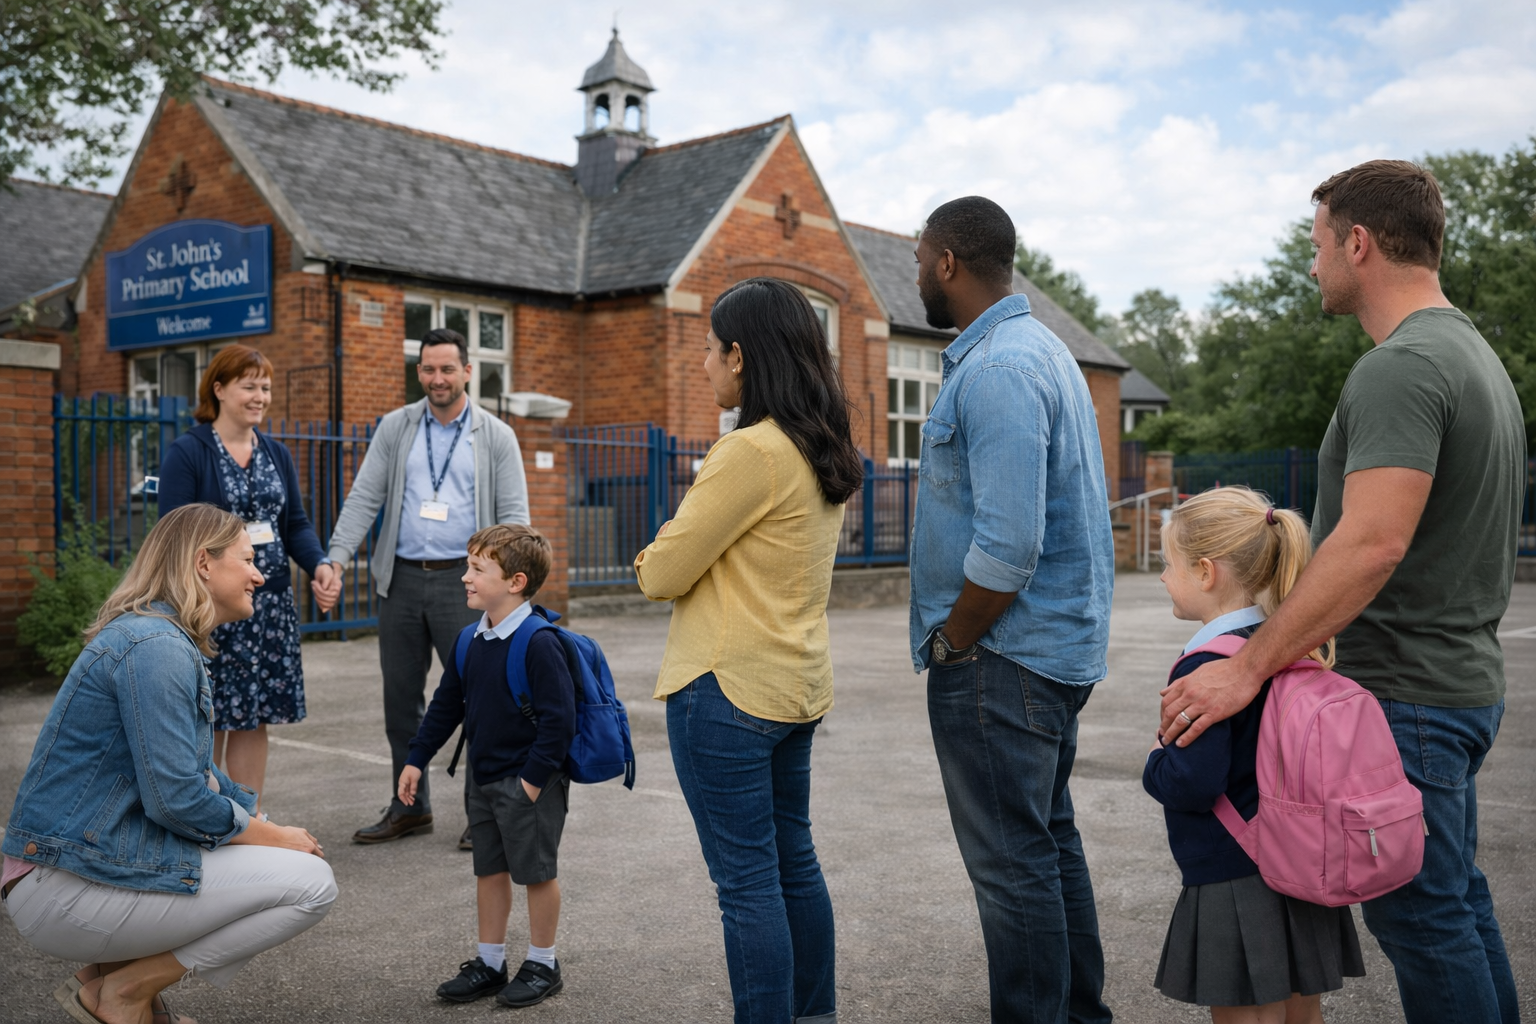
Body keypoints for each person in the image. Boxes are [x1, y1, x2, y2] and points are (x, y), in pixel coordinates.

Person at [1160, 161, 1526, 1024]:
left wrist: (1245, 668)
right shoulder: (1474, 355)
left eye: (1318, 244)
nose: (1313, 264)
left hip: (1408, 698)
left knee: (1426, 923)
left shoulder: (1401, 367)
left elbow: (1371, 542)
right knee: (1456, 907)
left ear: (1358, 243)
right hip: (1459, 688)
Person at [2, 503, 336, 1024]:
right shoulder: (156, 647)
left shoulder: (157, 636)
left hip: (73, 868)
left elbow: (196, 774)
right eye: (247, 559)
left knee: (281, 859)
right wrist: (274, 836)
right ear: (204, 563)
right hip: (61, 885)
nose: (258, 574)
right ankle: (128, 989)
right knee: (312, 884)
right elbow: (177, 799)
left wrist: (261, 822)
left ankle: (111, 981)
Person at [908, 195, 1115, 1024]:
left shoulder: (996, 369)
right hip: (1050, 656)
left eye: (922, 257)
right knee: (1046, 846)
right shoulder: (1047, 352)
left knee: (1013, 867)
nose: (918, 272)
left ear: (948, 262)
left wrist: (955, 643)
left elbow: (1007, 547)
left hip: (1005, 661)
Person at [634, 278, 862, 1024]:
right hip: (793, 686)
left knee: (747, 882)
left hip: (724, 689)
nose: (702, 364)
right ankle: (814, 1014)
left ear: (739, 354)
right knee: (793, 862)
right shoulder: (819, 443)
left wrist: (654, 551)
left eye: (708, 348)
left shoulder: (748, 452)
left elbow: (662, 572)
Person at [1144, 488, 1365, 1023]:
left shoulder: (1206, 667)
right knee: (1301, 1010)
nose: (1161, 577)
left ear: (1204, 572)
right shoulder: (1282, 644)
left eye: (1167, 564)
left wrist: (1155, 765)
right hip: (1300, 857)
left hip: (1232, 871)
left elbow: (1195, 780)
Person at [325, 327, 530, 846]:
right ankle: (408, 806)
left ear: (467, 371)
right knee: (401, 702)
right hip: (400, 580)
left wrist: (507, 592)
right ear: (418, 373)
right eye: (428, 369)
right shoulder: (396, 427)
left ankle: (482, 814)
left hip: (466, 587)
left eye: (447, 368)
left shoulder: (496, 435)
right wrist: (336, 557)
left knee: (479, 699)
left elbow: (514, 522)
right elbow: (364, 497)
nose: (437, 378)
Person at [397, 523, 575, 1008]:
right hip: (483, 778)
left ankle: (543, 962)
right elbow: (444, 706)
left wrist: (532, 784)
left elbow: (559, 724)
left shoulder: (540, 642)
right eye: (468, 566)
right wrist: (416, 758)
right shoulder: (468, 639)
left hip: (528, 781)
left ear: (515, 582)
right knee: (489, 871)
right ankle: (491, 961)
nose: (465, 578)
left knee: (537, 873)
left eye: (477, 569)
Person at [158, 343, 341, 810]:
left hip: (269, 604)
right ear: (218, 389)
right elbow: (175, 535)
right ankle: (204, 814)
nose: (260, 396)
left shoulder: (276, 452)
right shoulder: (188, 451)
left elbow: (293, 524)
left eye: (265, 387)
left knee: (252, 716)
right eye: (249, 386)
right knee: (210, 715)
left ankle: (247, 814)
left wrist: (319, 563)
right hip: (212, 608)